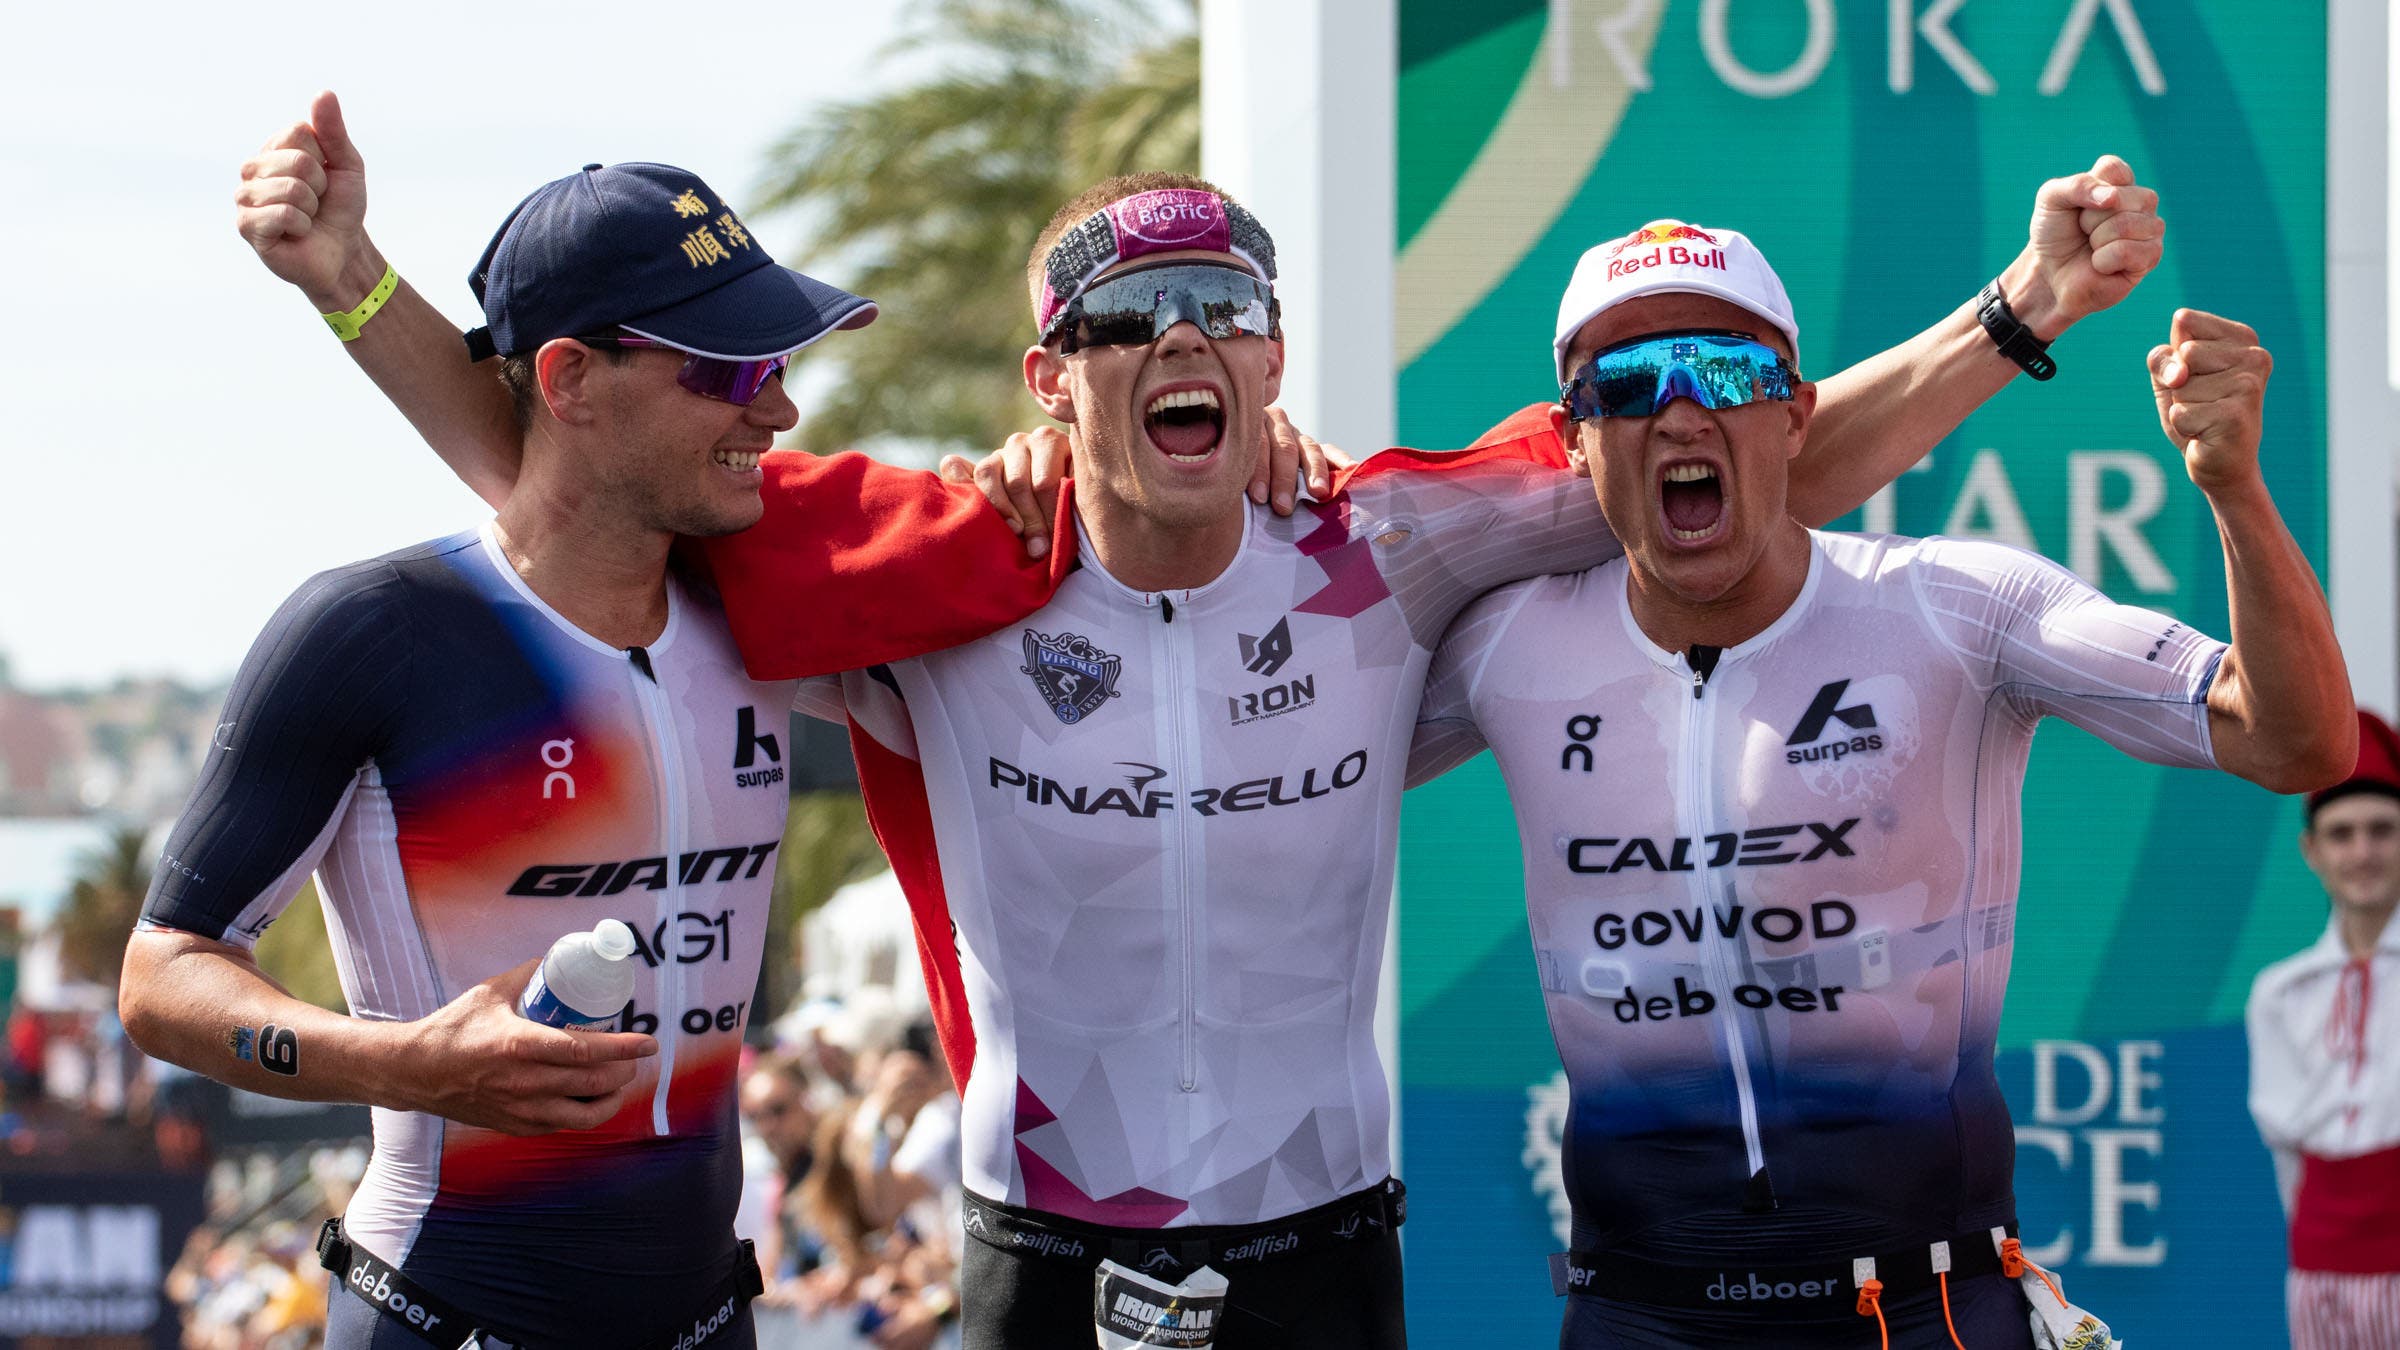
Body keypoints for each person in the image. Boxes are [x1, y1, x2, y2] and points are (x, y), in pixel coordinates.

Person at [237, 93, 2168, 1346]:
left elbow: (1749, 451)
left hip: (1327, 1260)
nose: (1185, 337)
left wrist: (2013, 311)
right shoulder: (936, 566)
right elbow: (580, 462)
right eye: (1130, 315)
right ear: (1048, 378)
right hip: (1036, 1265)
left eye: (1224, 305)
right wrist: (359, 291)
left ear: (1268, 360)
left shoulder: (1386, 544)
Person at [120, 146, 1057, 1350]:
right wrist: (403, 1063)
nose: (778, 406)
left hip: (711, 1323)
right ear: (569, 379)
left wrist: (1080, 460)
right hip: (443, 1312)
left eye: (777, 361)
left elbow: (1053, 550)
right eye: (732, 368)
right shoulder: (379, 632)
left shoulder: (767, 609)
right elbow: (162, 980)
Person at [1412, 223, 2355, 1347]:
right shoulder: (1504, 648)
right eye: (1624, 383)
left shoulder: (1954, 608)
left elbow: (2296, 742)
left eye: (1725, 369)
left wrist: (2236, 489)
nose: (1677, 411)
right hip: (1638, 1312)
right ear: (1572, 439)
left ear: (1796, 412)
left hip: (1920, 1308)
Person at [2248, 709, 2400, 1350]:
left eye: (2381, 830)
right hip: (2317, 1270)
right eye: (2341, 834)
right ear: (2312, 851)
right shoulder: (2281, 992)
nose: (2361, 853)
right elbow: (2286, 1153)